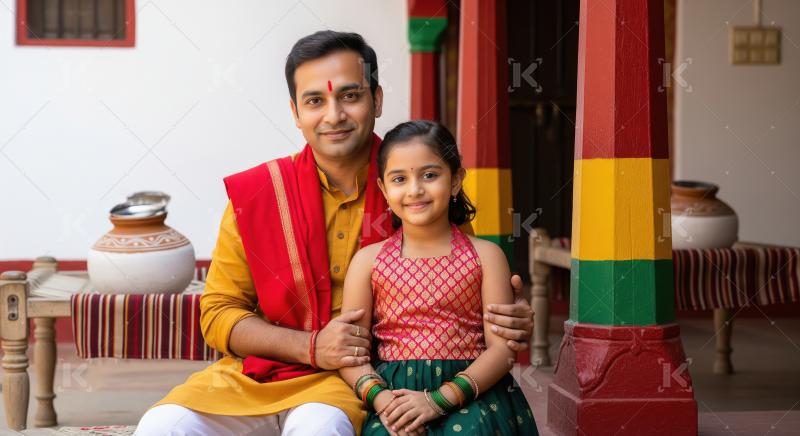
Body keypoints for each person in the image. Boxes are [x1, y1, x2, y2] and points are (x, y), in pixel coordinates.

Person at [135, 31, 534, 436]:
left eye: (349, 96)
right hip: (252, 378)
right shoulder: (257, 195)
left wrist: (508, 320)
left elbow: (464, 292)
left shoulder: (415, 191)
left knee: (319, 429)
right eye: (315, 101)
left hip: (358, 385)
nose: (333, 116)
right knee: (161, 426)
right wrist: (311, 347)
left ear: (376, 100)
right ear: (294, 112)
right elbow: (219, 314)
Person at [339, 120, 537, 436]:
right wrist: (383, 401)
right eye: (400, 179)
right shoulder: (367, 262)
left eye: (430, 175)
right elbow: (350, 352)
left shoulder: (486, 257)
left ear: (456, 180)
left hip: (475, 394)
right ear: (383, 190)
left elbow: (502, 350)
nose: (415, 189)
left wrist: (437, 400)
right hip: (394, 399)